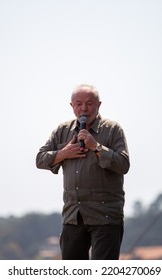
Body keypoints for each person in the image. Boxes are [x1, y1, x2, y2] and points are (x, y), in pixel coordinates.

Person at [36, 84, 130, 260]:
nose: (84, 108)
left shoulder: (112, 129)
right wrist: (64, 153)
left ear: (99, 105)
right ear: (72, 106)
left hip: (106, 216)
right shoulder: (62, 130)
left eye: (89, 103)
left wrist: (96, 146)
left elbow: (123, 165)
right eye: (78, 104)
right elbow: (40, 159)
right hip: (73, 216)